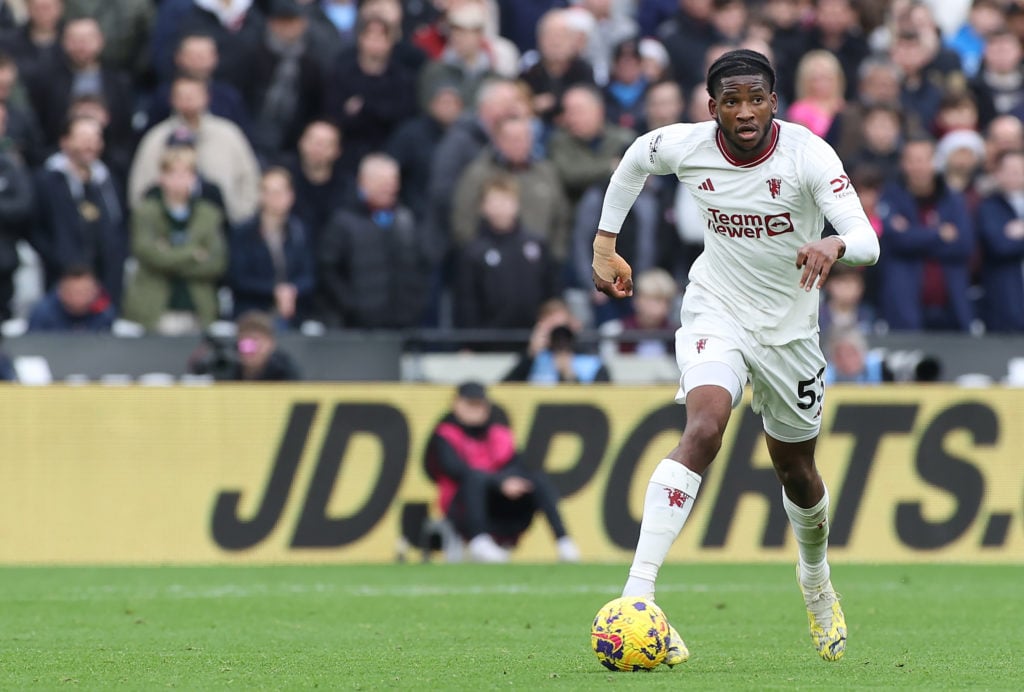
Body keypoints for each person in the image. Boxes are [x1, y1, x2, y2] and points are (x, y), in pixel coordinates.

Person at [590, 49, 880, 665]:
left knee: (797, 472)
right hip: (715, 309)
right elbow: (636, 158)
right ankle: (637, 598)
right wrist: (604, 244)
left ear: (774, 102)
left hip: (790, 334)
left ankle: (815, 580)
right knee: (703, 426)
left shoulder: (808, 154)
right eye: (731, 101)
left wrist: (834, 243)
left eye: (756, 99)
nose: (744, 112)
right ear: (712, 106)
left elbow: (868, 241)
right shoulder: (688, 145)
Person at [423, 380, 580, 563]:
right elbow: (455, 469)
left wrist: (506, 483)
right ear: (456, 404)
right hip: (462, 508)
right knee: (475, 478)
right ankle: (479, 542)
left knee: (537, 479)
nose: (475, 409)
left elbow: (517, 465)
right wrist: (499, 483)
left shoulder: (499, 433)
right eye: (470, 404)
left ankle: (564, 542)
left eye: (479, 404)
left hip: (499, 505)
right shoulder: (445, 434)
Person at [192, 309, 301, 381]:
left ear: (271, 344)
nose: (250, 347)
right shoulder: (228, 368)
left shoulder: (284, 372)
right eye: (245, 341)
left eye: (256, 341)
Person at [27, 264, 116, 332]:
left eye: (84, 292)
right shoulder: (43, 314)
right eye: (73, 292)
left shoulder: (104, 312)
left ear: (95, 291)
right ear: (61, 291)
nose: (79, 298)